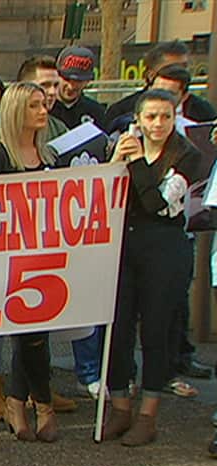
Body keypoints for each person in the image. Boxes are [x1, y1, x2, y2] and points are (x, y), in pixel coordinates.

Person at [102, 89, 202, 447]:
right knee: (118, 329)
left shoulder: (187, 155)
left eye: (165, 117)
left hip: (164, 248)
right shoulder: (126, 147)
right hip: (125, 247)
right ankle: (120, 407)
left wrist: (137, 163)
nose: (158, 124)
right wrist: (117, 159)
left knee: (156, 332)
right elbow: (104, 193)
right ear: (138, 120)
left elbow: (156, 203)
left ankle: (148, 415)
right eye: (151, 117)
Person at [0, 82, 60, 443]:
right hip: (8, 257)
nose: (43, 111)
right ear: (16, 111)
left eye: (44, 104)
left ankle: (18, 403)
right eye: (34, 106)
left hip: (46, 256)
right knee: (28, 334)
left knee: (35, 335)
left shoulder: (51, 156)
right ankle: (41, 405)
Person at [105, 40, 217, 130]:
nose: (179, 73)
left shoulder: (203, 111)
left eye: (185, 67)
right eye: (171, 69)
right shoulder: (121, 111)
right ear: (151, 75)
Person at [0, 56, 69, 150]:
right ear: (22, 87)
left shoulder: (59, 130)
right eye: (44, 85)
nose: (52, 92)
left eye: (56, 85)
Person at [52, 46, 106, 130]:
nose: (71, 87)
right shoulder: (45, 109)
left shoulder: (96, 112)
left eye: (78, 81)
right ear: (56, 76)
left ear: (87, 81)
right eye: (67, 79)